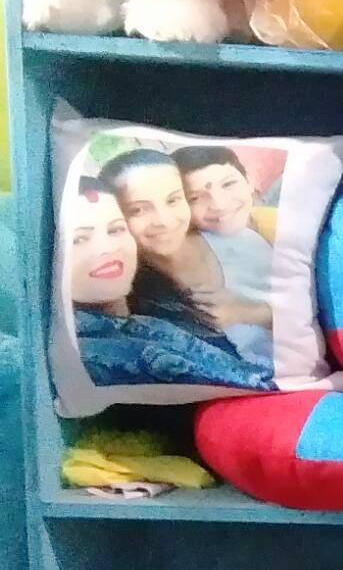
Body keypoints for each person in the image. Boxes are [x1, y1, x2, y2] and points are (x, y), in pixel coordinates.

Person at [66, 178, 274, 391]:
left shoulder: (158, 305)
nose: (107, 248)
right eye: (78, 239)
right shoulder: (89, 357)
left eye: (115, 230)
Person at [99, 147, 273, 365]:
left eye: (173, 200)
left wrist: (249, 312)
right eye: (138, 210)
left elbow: (305, 315)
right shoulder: (131, 300)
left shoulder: (239, 241)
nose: (164, 220)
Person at [173, 146, 276, 363]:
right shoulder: (197, 253)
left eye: (228, 184)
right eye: (195, 198)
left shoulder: (282, 224)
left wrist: (248, 312)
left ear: (249, 181)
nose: (218, 204)